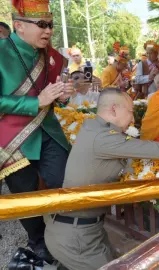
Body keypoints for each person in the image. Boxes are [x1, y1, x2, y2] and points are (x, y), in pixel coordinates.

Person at [44, 88, 159, 270]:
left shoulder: (93, 127)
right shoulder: (103, 138)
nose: (133, 119)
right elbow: (156, 150)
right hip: (76, 237)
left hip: (86, 229)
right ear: (114, 109)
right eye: (131, 112)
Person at [0, 0, 75, 263]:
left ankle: (67, 234)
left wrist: (63, 96)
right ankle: (38, 240)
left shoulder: (50, 56)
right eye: (42, 25)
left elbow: (54, 95)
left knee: (65, 181)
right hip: (10, 138)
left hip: (48, 131)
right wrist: (35, 102)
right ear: (19, 26)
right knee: (27, 196)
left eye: (51, 25)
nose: (48, 31)